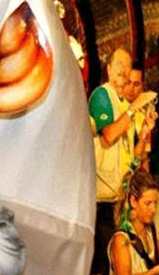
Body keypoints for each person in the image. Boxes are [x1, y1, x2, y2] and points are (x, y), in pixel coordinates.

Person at [91, 49, 157, 273]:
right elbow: (108, 136)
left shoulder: (123, 107)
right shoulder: (102, 95)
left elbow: (134, 160)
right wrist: (132, 110)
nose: (123, 70)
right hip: (102, 201)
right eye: (118, 65)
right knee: (106, 261)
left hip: (121, 198)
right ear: (109, 70)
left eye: (126, 67)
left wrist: (145, 133)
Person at [108, 168, 159, 274]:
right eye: (148, 203)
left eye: (155, 203)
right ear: (133, 201)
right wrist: (154, 272)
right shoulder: (121, 240)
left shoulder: (151, 231)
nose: (153, 209)